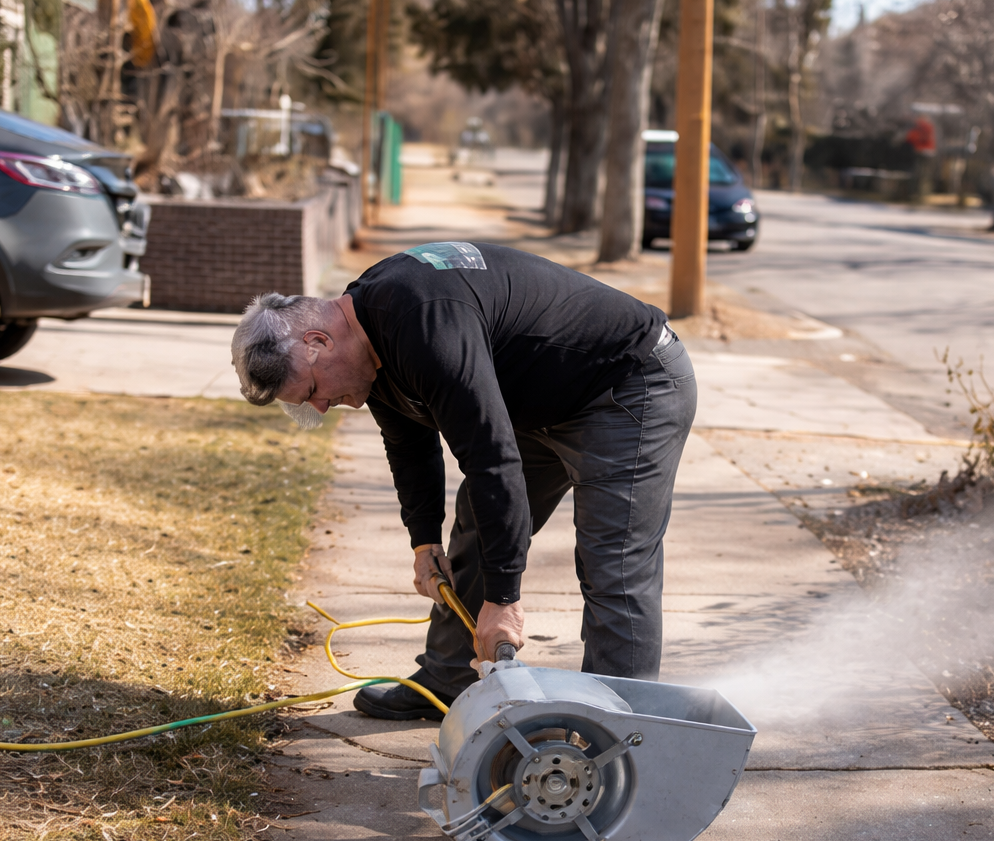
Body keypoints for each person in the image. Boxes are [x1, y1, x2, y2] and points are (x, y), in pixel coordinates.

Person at [229, 241, 697, 720]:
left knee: (613, 564)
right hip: (544, 398)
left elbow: (491, 460)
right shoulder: (366, 341)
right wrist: (423, 541)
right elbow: (408, 445)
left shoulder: (424, 322)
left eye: (311, 392)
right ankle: (448, 680)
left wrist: (503, 601)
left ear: (318, 341)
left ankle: (621, 727)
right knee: (477, 528)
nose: (322, 406)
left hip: (628, 384)